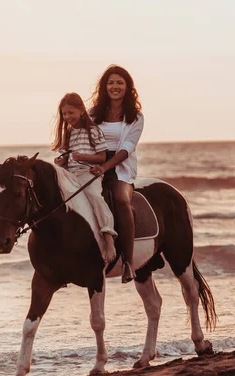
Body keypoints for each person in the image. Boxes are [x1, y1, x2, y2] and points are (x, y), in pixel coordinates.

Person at [89, 65, 144, 283]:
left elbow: (127, 148)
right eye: (111, 82)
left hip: (121, 168)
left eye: (120, 82)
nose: (115, 86)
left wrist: (106, 166)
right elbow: (81, 137)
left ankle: (128, 263)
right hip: (94, 165)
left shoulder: (135, 116)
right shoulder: (93, 114)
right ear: (104, 87)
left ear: (127, 87)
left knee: (121, 200)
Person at [52, 92, 117, 264]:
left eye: (70, 113)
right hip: (71, 175)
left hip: (89, 173)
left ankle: (108, 237)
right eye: (64, 114)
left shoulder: (93, 131)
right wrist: (61, 161)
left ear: (81, 111)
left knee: (95, 197)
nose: (67, 117)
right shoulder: (67, 134)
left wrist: (83, 158)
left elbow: (102, 157)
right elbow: (66, 158)